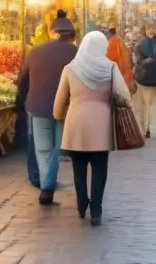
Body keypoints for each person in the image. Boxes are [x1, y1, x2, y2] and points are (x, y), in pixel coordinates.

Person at [53, 31, 132, 227]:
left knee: (78, 168)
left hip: (76, 125)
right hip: (101, 125)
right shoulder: (110, 67)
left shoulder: (70, 69)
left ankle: (81, 204)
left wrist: (59, 116)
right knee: (99, 168)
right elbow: (124, 96)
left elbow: (59, 101)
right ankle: (96, 210)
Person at [18, 11, 77, 205]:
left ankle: (46, 187)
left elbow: (22, 79)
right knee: (58, 147)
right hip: (65, 108)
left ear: (53, 31)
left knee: (42, 149)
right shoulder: (75, 53)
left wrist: (26, 98)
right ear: (71, 34)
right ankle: (48, 184)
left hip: (39, 105)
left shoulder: (37, 50)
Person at [133, 24, 156, 138]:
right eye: (149, 29)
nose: (151, 30)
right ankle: (147, 127)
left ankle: (146, 127)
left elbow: (138, 60)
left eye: (152, 28)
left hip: (146, 78)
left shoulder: (140, 43)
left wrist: (144, 62)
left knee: (146, 104)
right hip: (151, 78)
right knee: (149, 104)